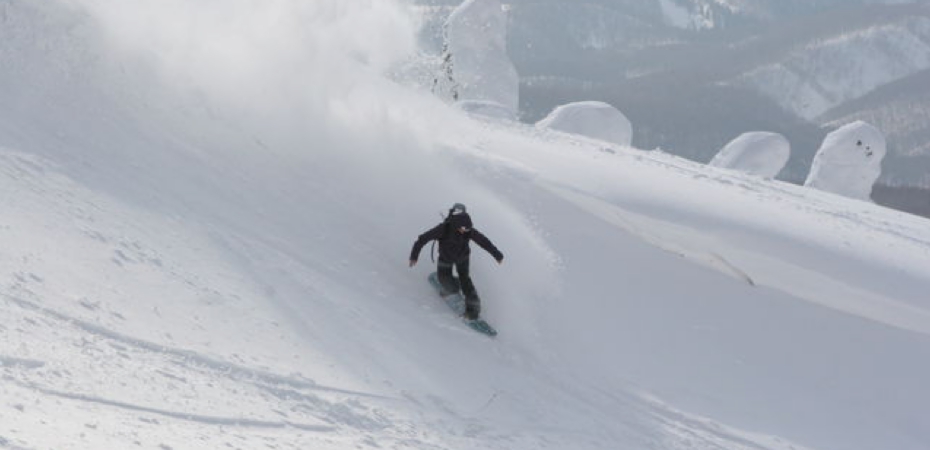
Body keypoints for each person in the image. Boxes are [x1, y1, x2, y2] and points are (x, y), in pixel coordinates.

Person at [409, 203, 503, 320]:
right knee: (443, 279)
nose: (465, 231)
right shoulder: (443, 229)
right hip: (445, 258)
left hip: (463, 258)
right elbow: (422, 239)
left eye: (467, 228)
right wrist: (414, 256)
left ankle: (473, 311)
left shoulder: (468, 230)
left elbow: (483, 242)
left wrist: (497, 254)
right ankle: (452, 288)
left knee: (466, 281)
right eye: (463, 228)